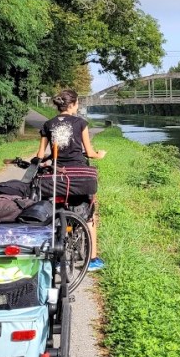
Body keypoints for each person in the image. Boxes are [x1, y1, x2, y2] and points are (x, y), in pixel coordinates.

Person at [35, 88, 107, 271]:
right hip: (79, 175)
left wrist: (43, 162)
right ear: (73, 104)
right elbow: (89, 152)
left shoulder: (47, 124)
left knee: (51, 212)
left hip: (56, 176)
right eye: (77, 104)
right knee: (90, 216)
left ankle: (55, 258)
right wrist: (100, 155)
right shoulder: (81, 122)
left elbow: (40, 154)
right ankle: (92, 260)